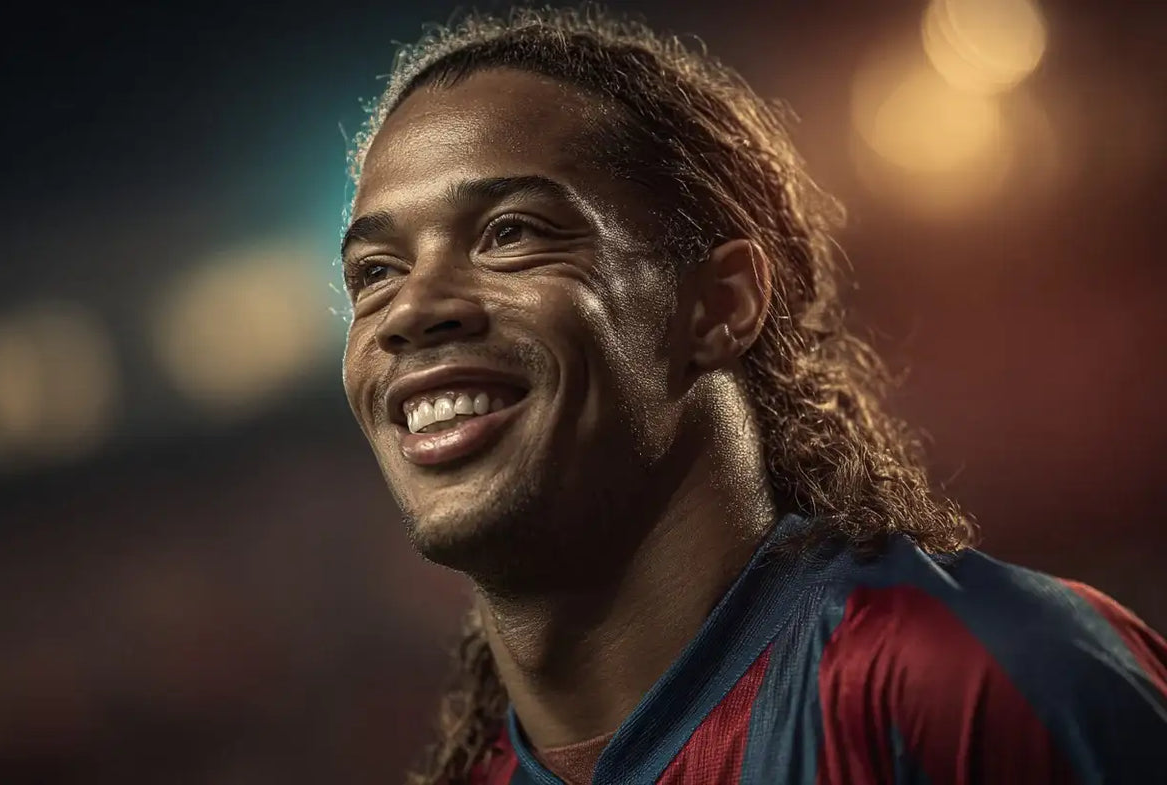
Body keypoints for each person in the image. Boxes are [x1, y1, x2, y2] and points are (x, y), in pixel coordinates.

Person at [337, 8, 1167, 785]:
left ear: (720, 305)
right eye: (375, 272)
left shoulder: (978, 676)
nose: (409, 309)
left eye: (511, 232)